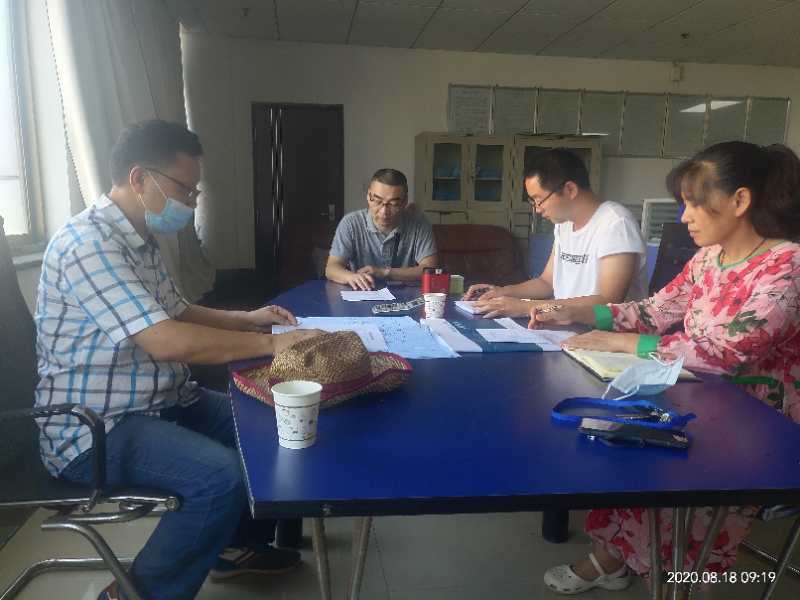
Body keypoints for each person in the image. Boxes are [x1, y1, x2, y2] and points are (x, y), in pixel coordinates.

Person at [34, 120, 321, 600]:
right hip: (97, 427)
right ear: (139, 178)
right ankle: (134, 595)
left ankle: (235, 547)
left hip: (162, 400)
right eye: (184, 189)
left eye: (193, 192)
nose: (190, 202)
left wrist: (247, 318)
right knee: (221, 478)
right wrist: (273, 345)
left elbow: (176, 309)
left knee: (269, 421)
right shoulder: (88, 244)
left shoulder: (140, 238)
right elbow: (166, 339)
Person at [530, 141, 800, 594]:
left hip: (759, 422)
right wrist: (573, 312)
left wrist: (625, 342)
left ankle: (677, 580)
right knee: (619, 447)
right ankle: (619, 556)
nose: (684, 217)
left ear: (740, 200)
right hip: (698, 397)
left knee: (663, 469)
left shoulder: (787, 265)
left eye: (693, 203)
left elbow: (727, 352)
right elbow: (653, 312)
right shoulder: (709, 259)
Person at [462, 148, 647, 318]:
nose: (537, 209)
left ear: (570, 190)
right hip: (565, 326)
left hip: (606, 336)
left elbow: (608, 301)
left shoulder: (616, 223)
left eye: (539, 200)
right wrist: (503, 292)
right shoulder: (564, 224)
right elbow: (546, 282)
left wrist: (527, 307)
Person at [325, 168, 438, 290]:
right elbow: (331, 268)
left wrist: (385, 272)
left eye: (393, 204)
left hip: (405, 295)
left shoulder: (418, 224)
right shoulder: (351, 223)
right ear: (369, 196)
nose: (384, 212)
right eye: (378, 201)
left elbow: (429, 268)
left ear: (404, 201)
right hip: (363, 293)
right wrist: (351, 277)